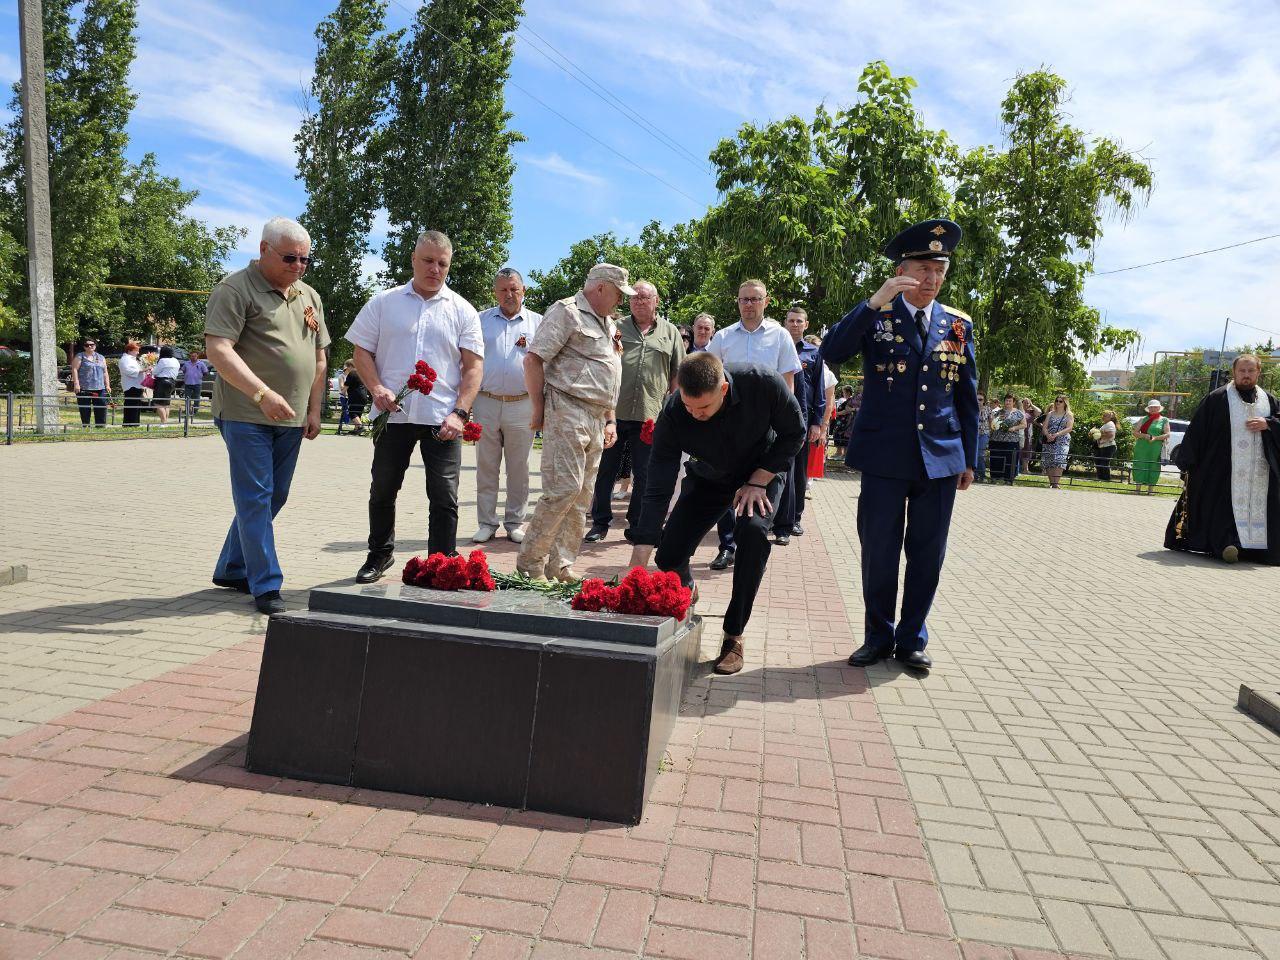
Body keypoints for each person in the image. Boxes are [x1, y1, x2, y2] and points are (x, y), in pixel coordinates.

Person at [820, 218, 978, 673]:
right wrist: (874, 301)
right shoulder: (878, 315)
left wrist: (969, 458)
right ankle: (877, 636)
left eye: (939, 270)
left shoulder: (958, 325)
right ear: (901, 271)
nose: (931, 279)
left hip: (941, 459)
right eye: (922, 269)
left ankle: (911, 638)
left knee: (928, 553)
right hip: (885, 456)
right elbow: (832, 351)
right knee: (879, 550)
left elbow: (967, 396)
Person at [627, 353, 804, 675]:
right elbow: (659, 481)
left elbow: (795, 432)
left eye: (703, 409)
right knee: (668, 557)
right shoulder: (674, 410)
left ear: (723, 389)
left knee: (751, 533)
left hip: (761, 475)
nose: (695, 415)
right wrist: (641, 550)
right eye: (689, 407)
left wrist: (759, 479)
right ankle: (689, 588)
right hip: (710, 476)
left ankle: (733, 635)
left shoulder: (762, 383)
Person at [204, 216, 330, 614]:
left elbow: (320, 358)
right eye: (290, 258)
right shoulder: (234, 288)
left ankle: (233, 566)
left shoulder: (308, 295)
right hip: (246, 413)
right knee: (256, 498)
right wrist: (261, 394)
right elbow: (219, 351)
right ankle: (267, 585)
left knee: (273, 496)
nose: (298, 266)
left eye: (305, 260)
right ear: (263, 250)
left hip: (291, 418)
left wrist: (314, 409)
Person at [347, 230, 483, 581]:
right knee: (383, 488)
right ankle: (379, 555)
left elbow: (473, 368)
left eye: (442, 263)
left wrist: (460, 412)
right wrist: (376, 387)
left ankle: (440, 564)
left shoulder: (463, 310)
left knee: (444, 495)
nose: (435, 269)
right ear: (413, 259)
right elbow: (361, 351)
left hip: (444, 420)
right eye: (428, 260)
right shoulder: (384, 303)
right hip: (393, 415)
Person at [515, 264, 627, 581]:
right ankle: (530, 565)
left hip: (595, 416)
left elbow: (608, 376)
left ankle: (560, 563)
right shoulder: (567, 311)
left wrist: (610, 419)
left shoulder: (607, 322)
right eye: (618, 293)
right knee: (562, 490)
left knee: (582, 495)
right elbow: (534, 358)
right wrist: (538, 408)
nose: (620, 300)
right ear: (602, 288)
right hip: (566, 407)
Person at [705, 280, 800, 570]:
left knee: (758, 490)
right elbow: (709, 374)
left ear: (766, 301)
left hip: (767, 426)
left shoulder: (780, 336)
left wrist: (784, 421)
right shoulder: (722, 337)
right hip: (729, 426)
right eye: (744, 299)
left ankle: (750, 546)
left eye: (754, 299)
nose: (748, 304)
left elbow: (788, 383)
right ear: (737, 302)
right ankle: (727, 546)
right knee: (724, 486)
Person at [586, 280, 684, 543]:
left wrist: (673, 408)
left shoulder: (671, 332)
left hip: (650, 415)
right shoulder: (615, 327)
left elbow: (677, 373)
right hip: (613, 414)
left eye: (645, 297)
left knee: (644, 473)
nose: (639, 302)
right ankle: (600, 522)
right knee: (605, 470)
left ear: (656, 301)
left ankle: (636, 523)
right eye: (634, 298)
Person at [1167, 354, 1280, 564]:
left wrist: (1269, 424)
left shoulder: (1270, 400)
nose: (1246, 375)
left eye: (1251, 371)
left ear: (1258, 373)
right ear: (1234, 372)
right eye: (1242, 371)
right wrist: (1188, 461)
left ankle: (1258, 550)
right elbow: (1197, 430)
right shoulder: (1217, 398)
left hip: (1261, 474)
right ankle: (1227, 545)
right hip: (1223, 469)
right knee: (1224, 507)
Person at [469, 268, 541, 543]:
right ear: (495, 292)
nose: (509, 294)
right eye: (503, 290)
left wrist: (541, 406)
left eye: (514, 289)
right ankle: (487, 522)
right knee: (486, 466)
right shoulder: (479, 320)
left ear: (524, 290)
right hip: (485, 401)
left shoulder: (539, 323)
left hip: (523, 403)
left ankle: (514, 523)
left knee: (519, 468)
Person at [769, 306, 824, 543]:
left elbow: (819, 390)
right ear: (785, 322)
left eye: (798, 321)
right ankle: (776, 517)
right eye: (790, 321)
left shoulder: (813, 353)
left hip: (802, 417)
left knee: (798, 474)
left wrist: (817, 423)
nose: (794, 325)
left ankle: (794, 518)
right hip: (774, 418)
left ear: (806, 324)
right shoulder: (776, 347)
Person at [808, 356, 837, 485]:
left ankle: (806, 483)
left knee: (812, 454)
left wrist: (823, 429)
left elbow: (829, 404)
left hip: (817, 419)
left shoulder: (827, 374)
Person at [1132, 398, 1170, 494]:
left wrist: (1156, 438)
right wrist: (1144, 435)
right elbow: (1135, 433)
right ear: (1148, 408)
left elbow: (1167, 434)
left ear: (1159, 408)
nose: (1153, 409)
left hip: (1155, 447)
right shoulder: (1143, 419)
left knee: (1154, 466)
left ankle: (1150, 490)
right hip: (1142, 446)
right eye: (1151, 407)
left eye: (1155, 407)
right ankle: (1137, 489)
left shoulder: (1164, 420)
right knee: (1139, 464)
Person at [71, 338, 110, 427]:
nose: (89, 346)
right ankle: (86, 425)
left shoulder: (101, 357)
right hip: (84, 387)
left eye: (91, 345)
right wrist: (76, 383)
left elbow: (105, 372)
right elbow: (74, 369)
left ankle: (100, 426)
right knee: (85, 408)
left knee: (101, 406)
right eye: (87, 345)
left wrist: (107, 385)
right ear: (84, 347)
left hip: (100, 387)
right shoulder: (80, 356)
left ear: (95, 346)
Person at [988, 394, 1025, 484]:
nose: (1008, 402)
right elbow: (992, 425)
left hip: (1011, 441)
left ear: (1014, 402)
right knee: (996, 459)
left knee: (1010, 460)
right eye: (1006, 400)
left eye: (1010, 401)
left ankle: (1008, 479)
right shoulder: (998, 412)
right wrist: (995, 420)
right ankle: (995, 477)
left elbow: (1024, 424)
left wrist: (1014, 428)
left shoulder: (1018, 413)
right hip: (997, 440)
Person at [1041, 394, 1074, 489]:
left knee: (1059, 460)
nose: (1058, 403)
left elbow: (1069, 428)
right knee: (1049, 461)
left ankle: (1056, 483)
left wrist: (1057, 434)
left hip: (1062, 440)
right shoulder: (1050, 413)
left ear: (1065, 403)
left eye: (1060, 401)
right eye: (1056, 401)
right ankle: (1052, 483)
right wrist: (1048, 435)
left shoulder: (1069, 414)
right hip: (1049, 440)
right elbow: (1044, 427)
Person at [118, 340, 146, 427]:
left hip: (137, 384)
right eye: (136, 350)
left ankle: (135, 423)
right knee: (131, 405)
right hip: (131, 385)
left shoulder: (133, 359)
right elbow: (128, 370)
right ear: (129, 350)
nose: (138, 352)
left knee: (136, 405)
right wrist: (142, 370)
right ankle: (129, 423)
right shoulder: (125, 359)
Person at [152, 346, 180, 425]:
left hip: (162, 382)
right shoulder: (175, 360)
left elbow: (155, 372)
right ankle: (165, 421)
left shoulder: (163, 360)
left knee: (157, 403)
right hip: (172, 382)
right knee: (166, 403)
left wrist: (152, 369)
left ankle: (163, 422)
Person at [1093, 410, 1120, 481]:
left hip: (1108, 446)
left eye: (1105, 416)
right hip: (1104, 446)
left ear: (1110, 417)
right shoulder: (1106, 424)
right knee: (1099, 462)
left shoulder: (1110, 424)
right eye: (1103, 415)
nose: (1103, 417)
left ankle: (1106, 479)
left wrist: (1098, 434)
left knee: (1104, 463)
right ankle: (1101, 478)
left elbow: (1110, 435)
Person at [182, 351, 210, 416]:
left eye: (195, 356)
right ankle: (187, 410)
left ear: (197, 356)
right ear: (190, 356)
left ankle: (195, 411)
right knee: (187, 397)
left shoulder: (201, 364)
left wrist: (200, 375)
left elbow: (205, 372)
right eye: (192, 356)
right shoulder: (186, 363)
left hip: (197, 383)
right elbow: (183, 370)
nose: (193, 357)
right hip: (188, 383)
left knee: (196, 398)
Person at [345, 362, 369, 435]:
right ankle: (356, 429)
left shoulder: (352, 373)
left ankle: (360, 427)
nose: (347, 369)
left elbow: (346, 385)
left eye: (347, 367)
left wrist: (343, 392)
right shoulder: (362, 373)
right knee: (358, 412)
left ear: (350, 366)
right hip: (363, 395)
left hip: (355, 395)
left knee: (352, 412)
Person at [832, 385, 855, 459]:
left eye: (844, 392)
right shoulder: (847, 400)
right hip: (841, 421)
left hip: (846, 421)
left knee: (843, 436)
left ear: (848, 392)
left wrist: (837, 413)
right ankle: (839, 452)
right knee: (837, 434)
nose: (843, 393)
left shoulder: (851, 400)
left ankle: (844, 454)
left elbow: (846, 411)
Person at [1020, 397, 1041, 475]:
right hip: (1018, 433)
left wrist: (1031, 404)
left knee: (1026, 451)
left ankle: (1025, 469)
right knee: (1018, 451)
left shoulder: (1031, 412)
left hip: (1027, 434)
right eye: (1024, 402)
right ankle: (1017, 468)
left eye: (1028, 403)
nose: (1026, 404)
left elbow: (1039, 412)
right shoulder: (1018, 411)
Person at [974, 390, 989, 482]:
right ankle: (974, 475)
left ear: (984, 400)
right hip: (973, 434)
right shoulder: (971, 408)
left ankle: (982, 474)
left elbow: (992, 422)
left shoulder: (988, 409)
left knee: (980, 454)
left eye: (980, 399)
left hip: (984, 434)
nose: (978, 401)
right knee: (973, 454)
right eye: (977, 399)